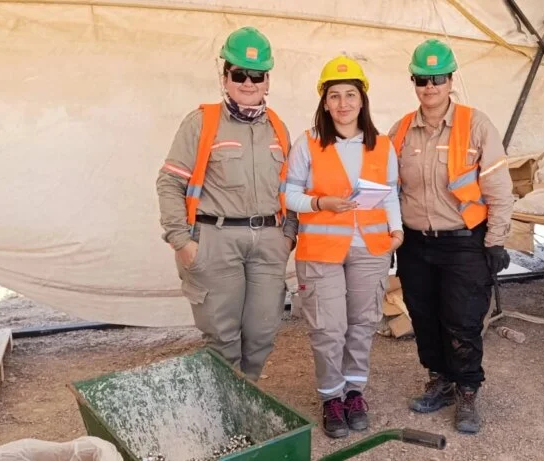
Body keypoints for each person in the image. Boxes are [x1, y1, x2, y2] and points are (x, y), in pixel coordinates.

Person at [388, 39, 514, 434]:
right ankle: (439, 380)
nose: (430, 87)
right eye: (422, 79)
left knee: (461, 320)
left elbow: (498, 188)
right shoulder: (401, 130)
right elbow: (388, 189)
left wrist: (495, 241)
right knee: (424, 317)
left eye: (437, 78)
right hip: (415, 243)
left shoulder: (476, 125)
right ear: (414, 82)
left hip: (463, 242)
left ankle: (467, 390)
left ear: (450, 80)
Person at [155, 26, 295, 382]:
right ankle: (228, 414)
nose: (248, 83)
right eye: (239, 74)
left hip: (268, 239)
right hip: (215, 239)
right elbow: (170, 181)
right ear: (225, 77)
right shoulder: (201, 122)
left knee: (262, 333)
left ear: (267, 81)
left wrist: (288, 235)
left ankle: (245, 398)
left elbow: (291, 185)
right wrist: (181, 241)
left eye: (256, 76)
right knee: (223, 338)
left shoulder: (278, 127)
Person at [285, 56, 403, 439]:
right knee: (329, 328)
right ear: (324, 101)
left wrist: (397, 230)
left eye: (350, 94)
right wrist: (320, 203)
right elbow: (288, 194)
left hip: (370, 247)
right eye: (334, 95)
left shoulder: (382, 145)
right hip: (320, 250)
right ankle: (331, 397)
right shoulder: (308, 144)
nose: (343, 103)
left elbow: (390, 194)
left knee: (363, 323)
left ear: (362, 99)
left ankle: (355, 393)